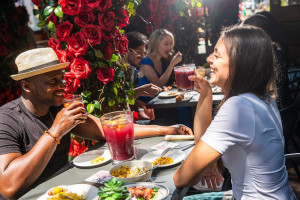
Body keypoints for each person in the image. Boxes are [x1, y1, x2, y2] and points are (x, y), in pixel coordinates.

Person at [0, 48, 193, 199]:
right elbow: (9, 187)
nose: (62, 86)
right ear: (27, 86)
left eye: (62, 79)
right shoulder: (7, 119)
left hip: (64, 190)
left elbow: (108, 129)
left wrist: (165, 129)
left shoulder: (58, 109)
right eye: (53, 81)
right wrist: (57, 130)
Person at [173, 25, 296, 199]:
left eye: (216, 55)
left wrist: (197, 170)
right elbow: (203, 143)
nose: (209, 58)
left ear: (239, 63)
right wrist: (206, 93)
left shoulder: (239, 107)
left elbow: (181, 179)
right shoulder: (262, 98)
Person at [243, 12, 293, 109]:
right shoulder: (269, 50)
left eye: (246, 34)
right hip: (279, 108)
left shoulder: (271, 55)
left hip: (278, 113)